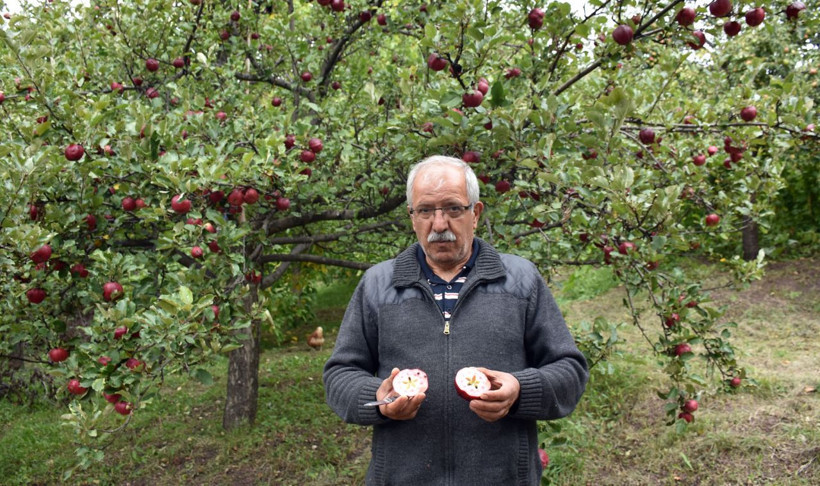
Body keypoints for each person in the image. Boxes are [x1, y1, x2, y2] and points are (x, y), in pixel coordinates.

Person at [323, 155, 588, 485]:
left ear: (475, 213)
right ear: (412, 217)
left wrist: (520, 391)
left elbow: (570, 371)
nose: (439, 224)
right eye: (425, 211)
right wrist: (379, 398)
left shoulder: (521, 281)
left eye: (452, 208)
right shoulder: (378, 286)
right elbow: (339, 375)